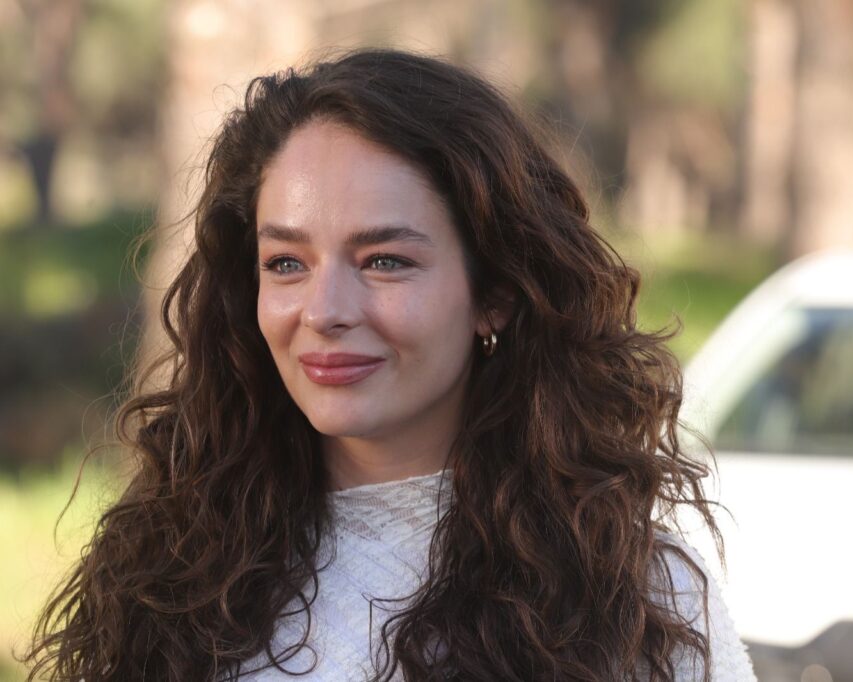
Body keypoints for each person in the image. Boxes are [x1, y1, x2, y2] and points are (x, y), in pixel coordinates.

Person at [22, 49, 757, 681]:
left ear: (495, 293)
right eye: (286, 262)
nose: (324, 311)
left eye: (384, 260)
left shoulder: (634, 593)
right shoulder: (168, 566)